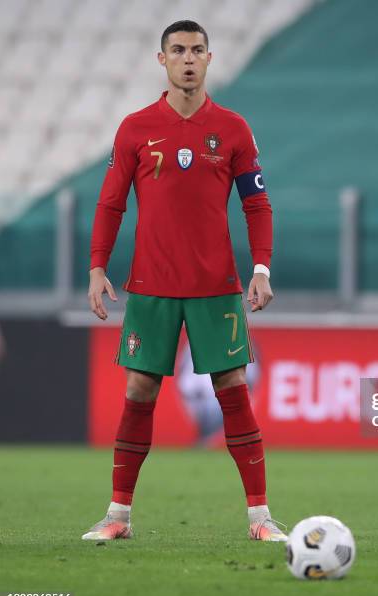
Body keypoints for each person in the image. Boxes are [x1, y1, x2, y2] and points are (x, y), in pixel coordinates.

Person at [82, 20, 286, 542]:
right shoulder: (134, 127)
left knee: (233, 388)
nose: (188, 58)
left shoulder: (234, 128)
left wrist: (260, 268)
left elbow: (256, 203)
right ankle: (118, 517)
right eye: (179, 50)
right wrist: (97, 267)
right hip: (151, 285)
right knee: (140, 389)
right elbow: (111, 202)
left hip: (216, 284)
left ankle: (260, 519)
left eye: (197, 50)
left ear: (209, 59)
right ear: (162, 60)